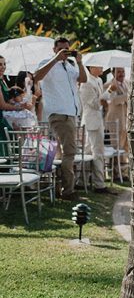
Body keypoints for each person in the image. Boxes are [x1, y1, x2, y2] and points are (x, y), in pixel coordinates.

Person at [35, 37, 87, 200]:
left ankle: (59, 188)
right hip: (60, 113)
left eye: (67, 49)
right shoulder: (48, 62)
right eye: (61, 49)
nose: (65, 52)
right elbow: (36, 76)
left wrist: (79, 62)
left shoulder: (70, 66)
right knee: (70, 152)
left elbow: (83, 79)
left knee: (63, 153)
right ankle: (68, 190)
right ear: (54, 49)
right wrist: (55, 59)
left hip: (71, 113)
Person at [79, 64, 113, 194]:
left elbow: (101, 101)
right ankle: (99, 184)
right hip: (91, 120)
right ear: (91, 68)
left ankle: (81, 181)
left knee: (88, 151)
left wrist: (106, 96)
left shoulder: (98, 80)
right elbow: (93, 103)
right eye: (98, 66)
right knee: (97, 151)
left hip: (98, 119)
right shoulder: (86, 82)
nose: (101, 69)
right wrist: (108, 92)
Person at [104, 67, 129, 162]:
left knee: (127, 147)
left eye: (123, 71)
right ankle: (116, 174)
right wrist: (128, 96)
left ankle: (125, 174)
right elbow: (113, 100)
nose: (121, 74)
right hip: (115, 121)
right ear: (113, 73)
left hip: (126, 120)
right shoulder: (108, 85)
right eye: (118, 72)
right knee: (117, 147)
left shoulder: (128, 83)